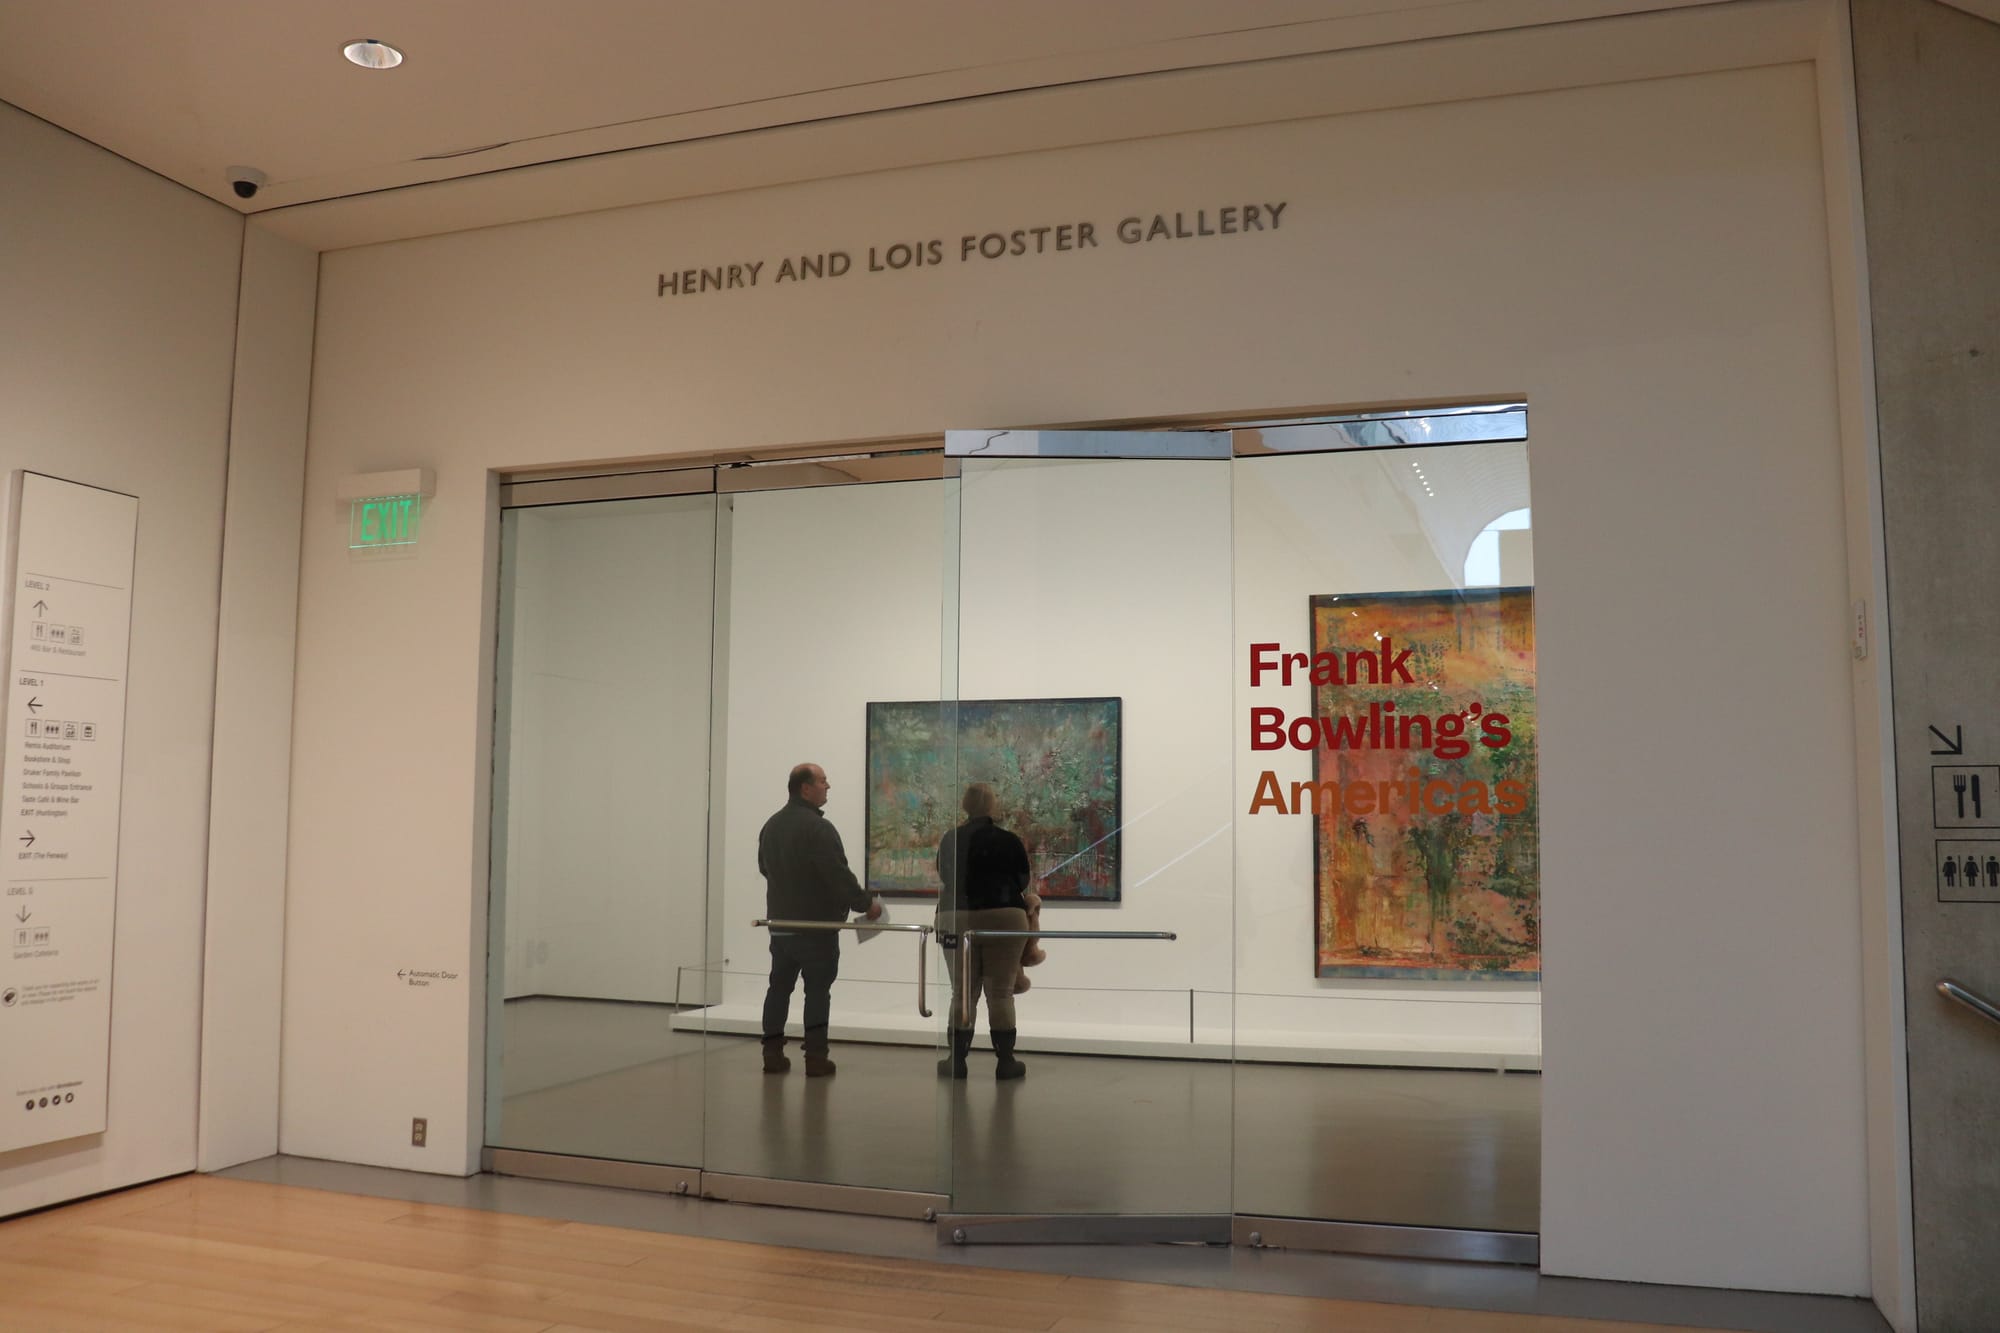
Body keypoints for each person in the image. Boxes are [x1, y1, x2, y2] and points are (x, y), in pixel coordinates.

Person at [758, 762, 881, 1077]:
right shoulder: (819, 828)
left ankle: (772, 1054)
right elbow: (836, 874)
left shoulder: (771, 826)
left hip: (781, 926)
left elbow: (764, 868)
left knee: (778, 988)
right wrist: (866, 904)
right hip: (816, 928)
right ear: (805, 788)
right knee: (816, 992)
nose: (828, 786)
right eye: (823, 781)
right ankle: (815, 1057)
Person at [934, 782, 1034, 1080]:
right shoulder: (1009, 840)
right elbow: (1022, 880)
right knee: (1001, 992)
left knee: (962, 992)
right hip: (1005, 915)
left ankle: (956, 1060)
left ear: (965, 806)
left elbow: (945, 875)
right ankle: (1005, 1061)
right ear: (992, 805)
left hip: (955, 916)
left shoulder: (950, 839)